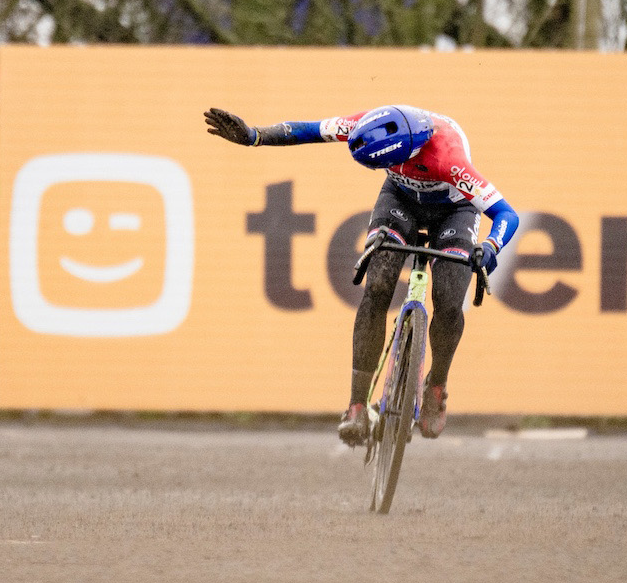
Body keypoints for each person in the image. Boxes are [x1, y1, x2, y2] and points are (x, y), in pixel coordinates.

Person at [203, 104, 520, 443]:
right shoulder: (365, 125)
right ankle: (356, 405)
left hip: (454, 211)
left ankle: (436, 383)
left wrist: (490, 247)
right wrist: (254, 137)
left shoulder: (449, 159)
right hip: (399, 200)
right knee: (378, 286)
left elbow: (506, 214)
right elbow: (308, 130)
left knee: (448, 297)